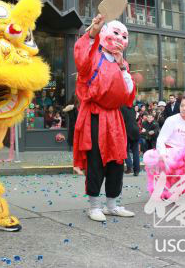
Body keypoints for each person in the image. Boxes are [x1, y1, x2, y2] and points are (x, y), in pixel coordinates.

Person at [73, 14, 136, 222]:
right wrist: (93, 31)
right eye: (115, 33)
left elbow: (128, 94)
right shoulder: (93, 55)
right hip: (95, 114)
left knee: (117, 159)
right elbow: (81, 60)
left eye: (123, 35)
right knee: (96, 159)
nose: (119, 38)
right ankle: (94, 205)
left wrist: (121, 67)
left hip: (115, 118)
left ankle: (112, 204)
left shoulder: (122, 63)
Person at [155, 95, 185, 165]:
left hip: (183, 156)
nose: (184, 108)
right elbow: (161, 139)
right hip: (169, 155)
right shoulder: (171, 120)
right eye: (182, 106)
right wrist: (162, 154)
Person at [120, 105, 141, 176]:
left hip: (127, 130)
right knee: (135, 151)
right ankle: (137, 170)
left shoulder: (121, 108)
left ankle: (129, 166)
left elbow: (121, 120)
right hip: (135, 130)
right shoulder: (132, 108)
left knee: (125, 150)